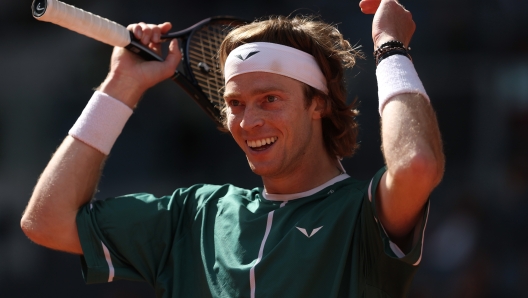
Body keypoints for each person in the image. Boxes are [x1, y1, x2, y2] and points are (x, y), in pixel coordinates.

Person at [21, 0, 444, 297]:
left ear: (318, 103)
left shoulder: (363, 215)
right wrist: (121, 87)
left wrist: (390, 48)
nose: (249, 121)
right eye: (234, 104)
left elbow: (417, 164)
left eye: (270, 99)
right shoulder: (192, 216)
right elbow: (47, 221)